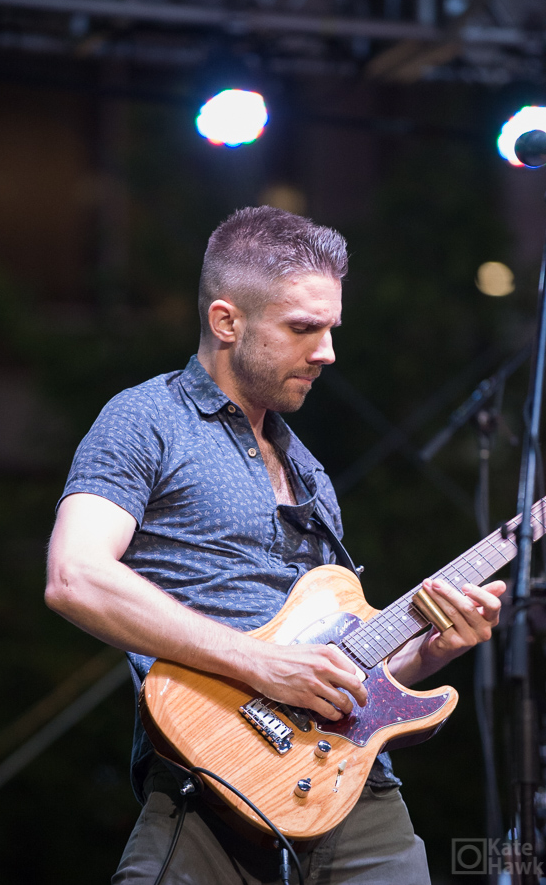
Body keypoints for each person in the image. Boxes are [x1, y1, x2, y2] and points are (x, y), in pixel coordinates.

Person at [46, 206, 505, 884]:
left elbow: (344, 676)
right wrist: (263, 668)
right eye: (302, 328)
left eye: (329, 329)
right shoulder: (146, 419)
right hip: (209, 781)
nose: (326, 352)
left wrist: (430, 649)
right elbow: (75, 577)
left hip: (352, 788)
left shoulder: (309, 470)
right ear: (227, 321)